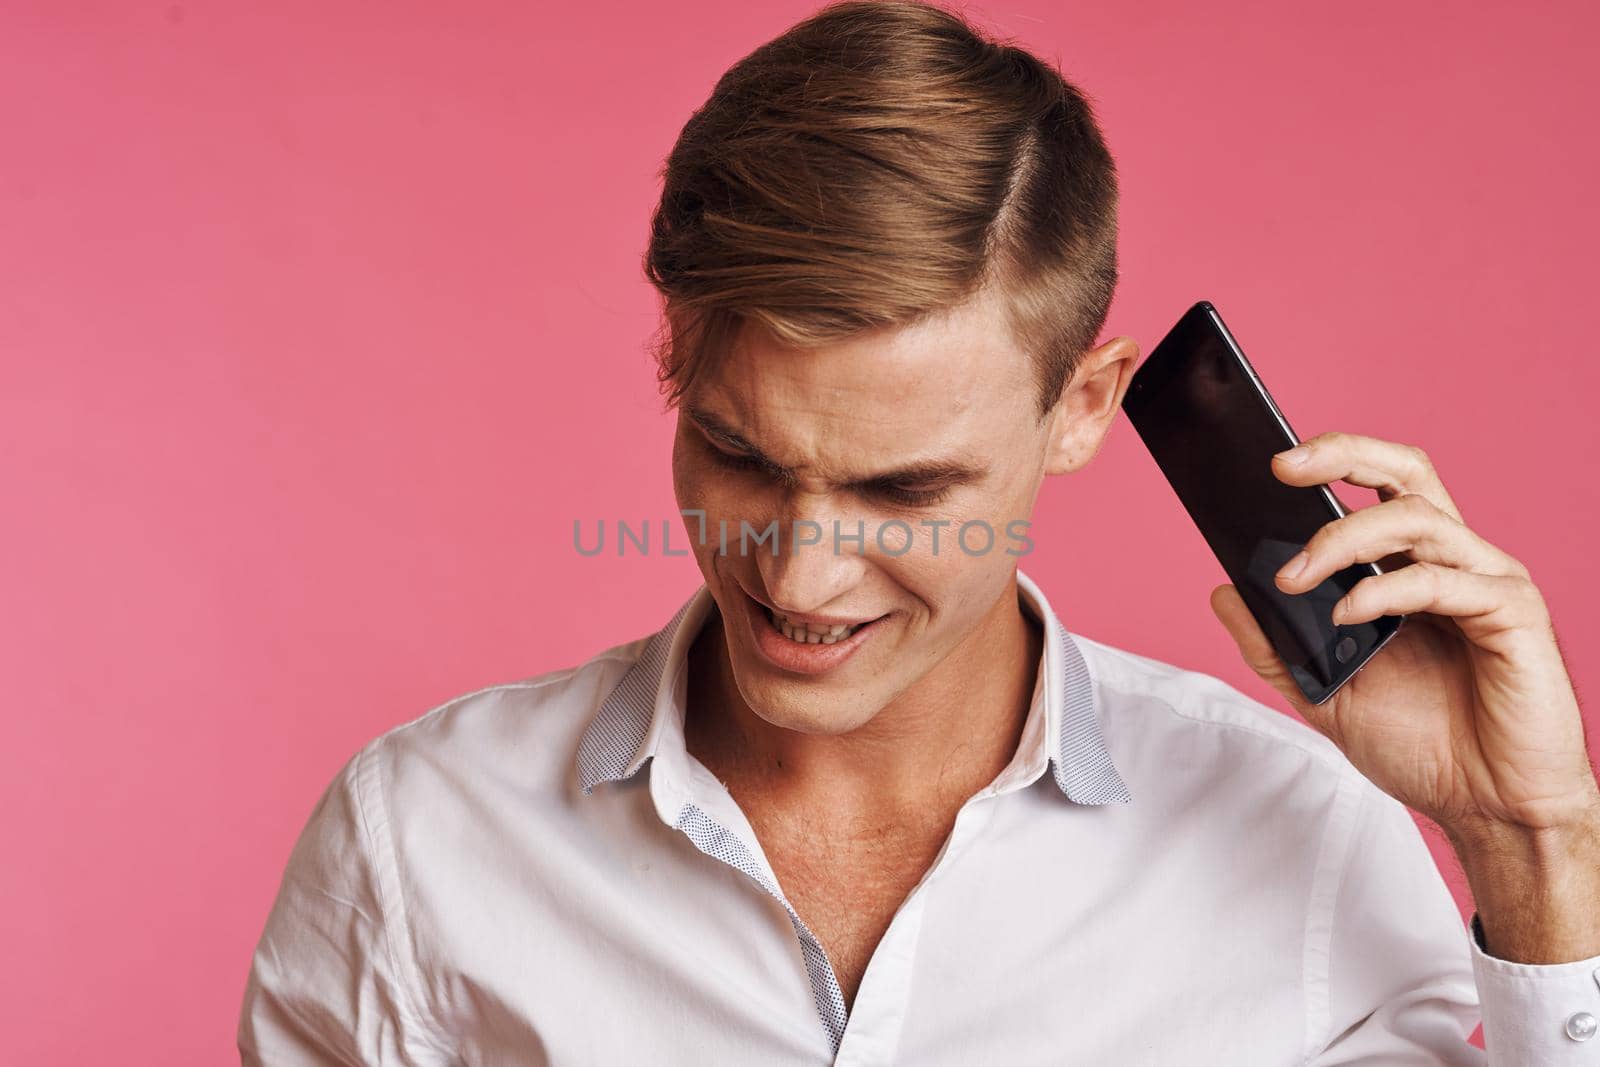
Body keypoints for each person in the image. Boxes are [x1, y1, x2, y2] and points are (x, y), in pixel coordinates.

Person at [237, 1, 1600, 1063]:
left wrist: (1533, 845)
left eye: (902, 492)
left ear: (1084, 407)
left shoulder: (1302, 839)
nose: (797, 573)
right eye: (739, 453)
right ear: (673, 362)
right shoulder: (419, 842)